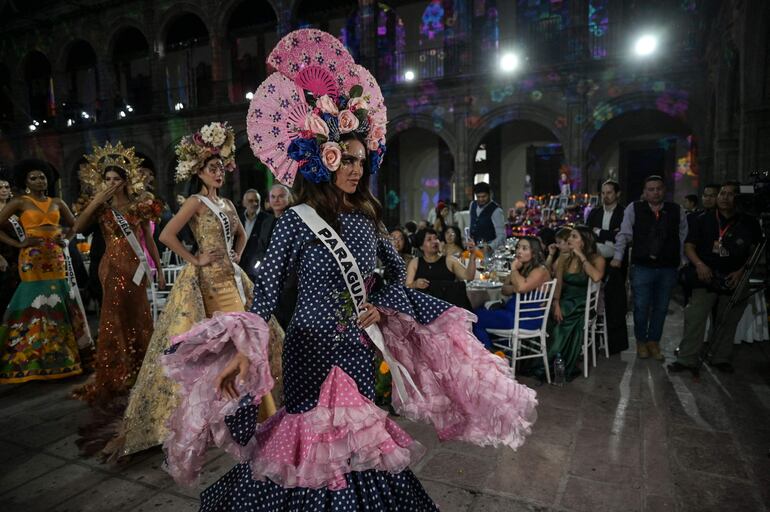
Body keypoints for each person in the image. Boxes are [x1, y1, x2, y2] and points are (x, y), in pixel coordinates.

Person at [160, 29, 537, 510]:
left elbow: (396, 272)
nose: (357, 170)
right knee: (308, 446)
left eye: (363, 160)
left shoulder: (370, 217)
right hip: (307, 348)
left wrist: (380, 305)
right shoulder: (295, 219)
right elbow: (267, 297)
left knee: (358, 445)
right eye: (347, 159)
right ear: (323, 159)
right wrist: (243, 354)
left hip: (357, 348)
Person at [107, 122, 283, 459]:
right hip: (208, 285)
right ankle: (235, 416)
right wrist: (195, 258)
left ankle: (253, 414)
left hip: (231, 280)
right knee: (223, 350)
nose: (218, 173)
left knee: (245, 346)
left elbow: (242, 237)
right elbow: (165, 236)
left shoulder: (229, 204)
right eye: (211, 168)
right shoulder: (195, 202)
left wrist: (236, 257)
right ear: (198, 172)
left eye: (221, 167)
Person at [70, 142, 164, 408]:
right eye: (107, 179)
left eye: (116, 179)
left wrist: (157, 270)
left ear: (125, 181)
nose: (111, 183)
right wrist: (97, 200)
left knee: (139, 315)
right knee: (113, 318)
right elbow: (76, 227)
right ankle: (117, 371)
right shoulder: (101, 208)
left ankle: (140, 369)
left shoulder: (140, 206)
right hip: (111, 268)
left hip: (136, 267)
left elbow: (149, 240)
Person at [0, 160, 87, 383]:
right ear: (25, 182)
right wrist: (17, 244)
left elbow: (74, 225)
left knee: (57, 298)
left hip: (56, 258)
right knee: (35, 301)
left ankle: (61, 355)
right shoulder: (20, 202)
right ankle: (31, 357)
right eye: (34, 178)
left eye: (42, 177)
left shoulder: (57, 202)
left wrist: (65, 241)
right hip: (32, 259)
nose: (40, 180)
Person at [669, 182, 762, 376]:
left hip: (734, 277)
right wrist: (700, 265)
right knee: (695, 317)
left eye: (730, 194)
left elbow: (754, 252)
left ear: (738, 198)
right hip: (706, 275)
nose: (725, 197)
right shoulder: (702, 219)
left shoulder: (749, 222)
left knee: (727, 321)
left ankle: (720, 357)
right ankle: (686, 359)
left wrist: (741, 272)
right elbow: (689, 246)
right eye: (722, 193)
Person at [612, 175, 687, 361]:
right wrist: (618, 258)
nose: (655, 192)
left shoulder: (676, 210)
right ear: (645, 192)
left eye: (659, 189)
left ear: (664, 190)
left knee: (661, 308)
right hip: (642, 267)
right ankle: (641, 341)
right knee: (641, 307)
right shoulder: (635, 208)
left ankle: (654, 341)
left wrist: (683, 260)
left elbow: (683, 237)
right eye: (651, 189)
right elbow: (624, 234)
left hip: (667, 267)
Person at [473, 237, 551, 348]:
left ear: (534, 253)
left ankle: (490, 356)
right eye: (518, 247)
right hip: (512, 314)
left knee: (474, 317)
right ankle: (494, 354)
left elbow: (521, 288)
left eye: (524, 248)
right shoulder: (521, 268)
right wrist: (515, 281)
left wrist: (514, 270)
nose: (519, 251)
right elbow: (504, 290)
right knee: (475, 314)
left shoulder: (540, 270)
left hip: (526, 319)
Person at [549, 226, 605, 379]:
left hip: (583, 304)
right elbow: (558, 283)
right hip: (566, 301)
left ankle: (556, 360)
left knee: (561, 320)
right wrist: (556, 303)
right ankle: (554, 359)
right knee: (549, 313)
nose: (569, 240)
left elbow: (596, 277)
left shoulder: (596, 259)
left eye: (574, 237)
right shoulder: (565, 258)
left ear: (584, 241)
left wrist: (581, 256)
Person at [586, 180, 628, 354]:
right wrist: (607, 235)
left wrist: (600, 233)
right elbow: (588, 235)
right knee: (593, 302)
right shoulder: (595, 212)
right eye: (603, 193)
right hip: (595, 261)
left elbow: (622, 236)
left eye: (609, 192)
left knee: (615, 304)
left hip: (615, 263)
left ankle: (615, 345)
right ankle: (592, 342)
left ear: (617, 194)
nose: (605, 196)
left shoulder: (624, 212)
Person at [407, 227, 476, 308]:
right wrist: (415, 284)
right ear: (421, 246)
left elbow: (469, 276)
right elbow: (407, 286)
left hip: (449, 308)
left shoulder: (449, 260)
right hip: (424, 309)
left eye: (436, 238)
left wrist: (472, 256)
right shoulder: (415, 262)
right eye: (429, 239)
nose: (434, 242)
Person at [253, 183, 292, 263]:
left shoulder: (293, 220)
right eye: (273, 197)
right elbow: (260, 247)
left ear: (289, 198)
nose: (276, 200)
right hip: (267, 267)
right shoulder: (266, 222)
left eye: (281, 196)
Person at [238, 188, 270, 280]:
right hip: (240, 267)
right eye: (250, 201)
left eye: (257, 201)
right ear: (244, 203)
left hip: (258, 269)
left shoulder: (268, 220)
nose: (254, 204)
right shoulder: (237, 219)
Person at [0, 174, 20, 314]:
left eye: (6, 187)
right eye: (0, 187)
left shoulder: (17, 208)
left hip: (18, 254)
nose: (4, 190)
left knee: (17, 291)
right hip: (2, 256)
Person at [469, 181, 505, 250]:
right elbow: (472, 224)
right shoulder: (472, 204)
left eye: (484, 196)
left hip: (488, 250)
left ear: (490, 194)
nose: (481, 199)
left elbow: (501, 235)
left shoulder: (496, 210)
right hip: (474, 248)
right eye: (478, 197)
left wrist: (490, 246)